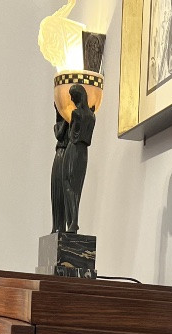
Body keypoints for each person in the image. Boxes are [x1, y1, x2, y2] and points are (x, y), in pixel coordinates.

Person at [63, 84, 95, 234]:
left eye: (72, 96)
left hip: (73, 149)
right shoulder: (92, 116)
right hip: (84, 153)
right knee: (78, 188)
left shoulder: (76, 114)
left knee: (68, 184)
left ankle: (73, 222)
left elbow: (72, 135)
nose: (71, 99)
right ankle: (72, 222)